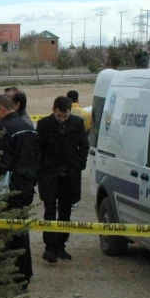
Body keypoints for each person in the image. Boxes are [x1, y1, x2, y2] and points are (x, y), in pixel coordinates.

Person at [0, 93, 39, 285]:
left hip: (8, 191)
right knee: (20, 233)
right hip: (26, 188)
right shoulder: (28, 127)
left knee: (2, 236)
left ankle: (2, 280)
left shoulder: (2, 129)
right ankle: (23, 276)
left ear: (2, 109)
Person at [37, 95, 89, 262]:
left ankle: (61, 246)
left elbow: (84, 146)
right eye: (59, 116)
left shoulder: (78, 123)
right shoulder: (44, 124)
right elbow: (39, 148)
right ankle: (50, 248)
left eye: (65, 116)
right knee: (50, 210)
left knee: (66, 212)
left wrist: (79, 165)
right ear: (54, 111)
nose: (62, 119)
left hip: (70, 175)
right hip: (49, 175)